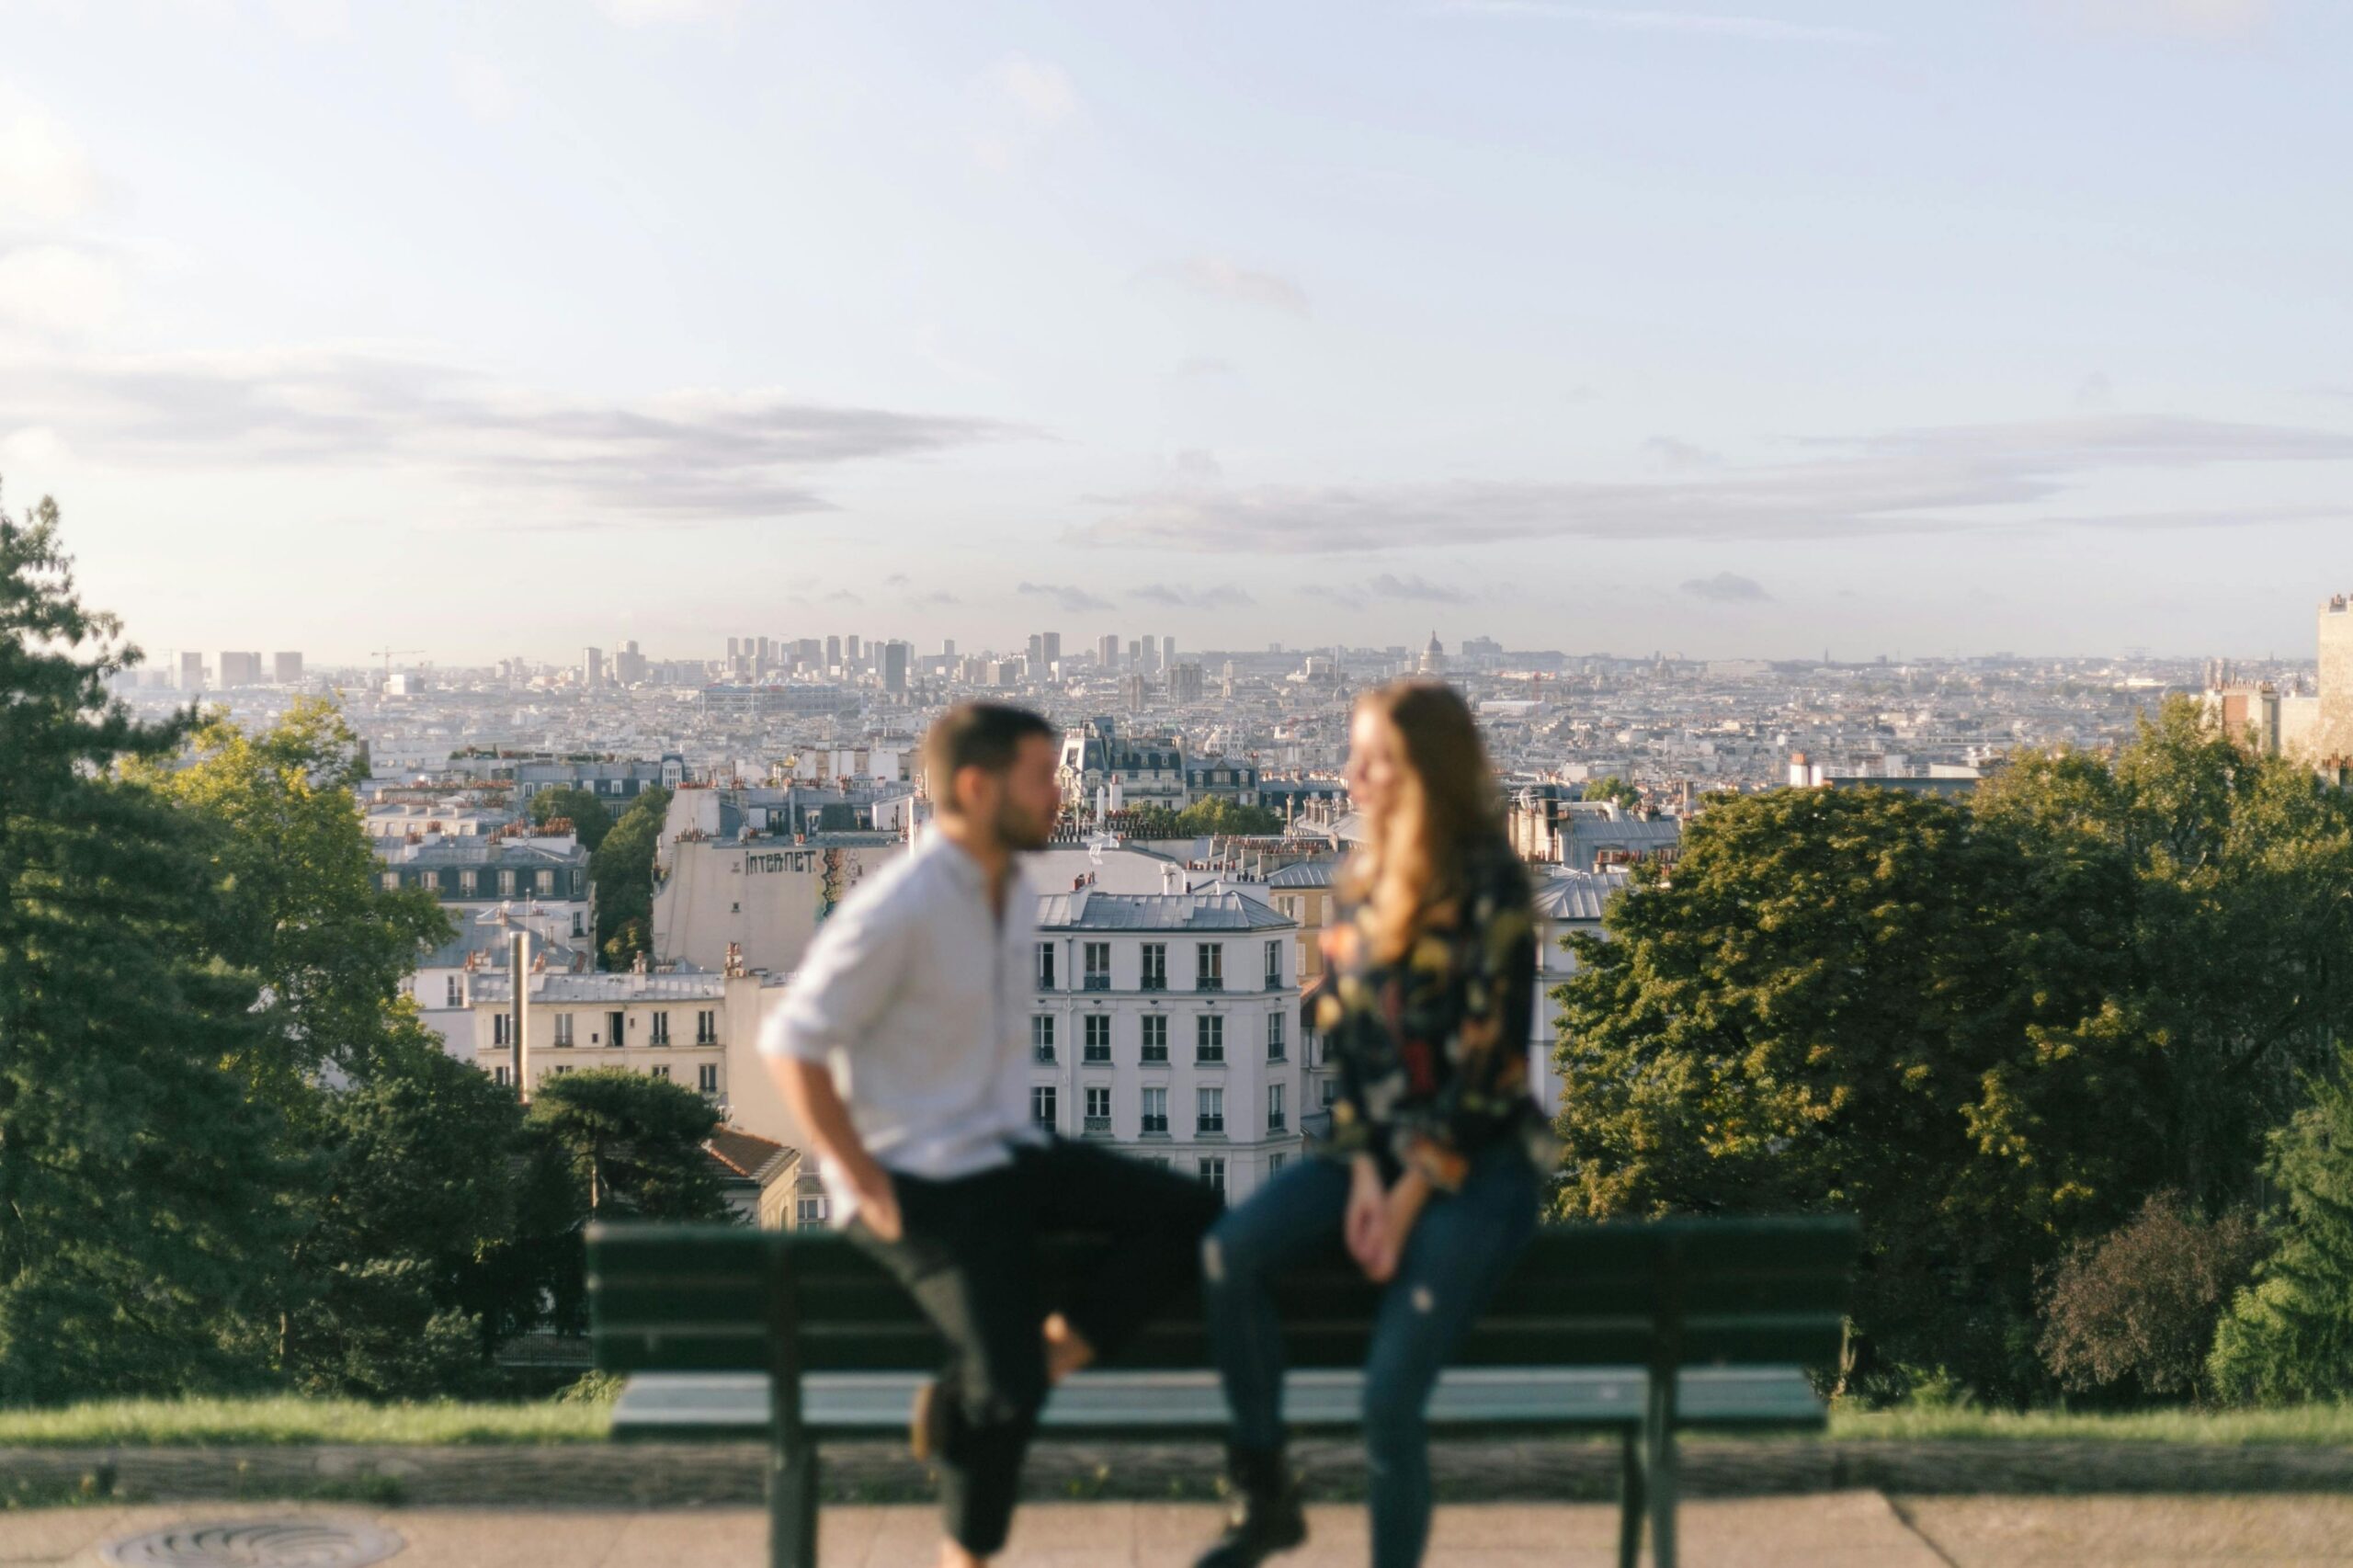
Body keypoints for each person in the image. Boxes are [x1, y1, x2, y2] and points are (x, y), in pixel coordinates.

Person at [761, 700, 1222, 1568]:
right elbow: (791, 1041)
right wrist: (862, 1183)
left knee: (1189, 1212)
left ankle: (982, 1387)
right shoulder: (904, 903)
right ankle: (966, 1553)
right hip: (921, 1178)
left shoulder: (1009, 884)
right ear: (977, 787)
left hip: (1000, 1153)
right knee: (1007, 1391)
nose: (1061, 793)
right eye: (1043, 776)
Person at [1193, 680, 1546, 1568]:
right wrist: (1358, 1175)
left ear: (1425, 770)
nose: (1350, 775)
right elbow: (1356, 1056)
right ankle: (1264, 1487)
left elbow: (1485, 1077)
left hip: (1475, 1167)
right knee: (1227, 1255)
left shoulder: (1490, 885)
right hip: (1378, 1151)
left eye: (1373, 758)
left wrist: (1400, 1200)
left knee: (1388, 1401)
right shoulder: (1361, 883)